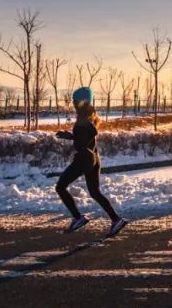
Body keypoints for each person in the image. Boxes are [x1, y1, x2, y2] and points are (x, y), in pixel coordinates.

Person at [54, 87, 127, 237]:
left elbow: (87, 136)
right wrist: (71, 137)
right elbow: (89, 135)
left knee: (60, 187)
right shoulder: (89, 116)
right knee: (94, 192)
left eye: (75, 101)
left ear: (82, 102)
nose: (73, 104)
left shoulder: (82, 119)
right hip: (94, 158)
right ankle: (116, 219)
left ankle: (78, 218)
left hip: (84, 159)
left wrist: (77, 144)